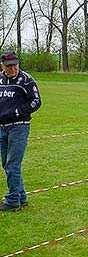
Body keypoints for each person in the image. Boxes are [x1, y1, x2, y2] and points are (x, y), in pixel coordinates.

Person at [0, 51, 41, 211]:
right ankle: (21, 196)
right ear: (2, 65)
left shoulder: (26, 80)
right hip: (2, 128)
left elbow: (36, 101)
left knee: (12, 164)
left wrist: (18, 111)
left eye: (15, 65)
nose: (13, 69)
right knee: (7, 164)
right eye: (9, 66)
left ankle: (12, 201)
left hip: (19, 126)